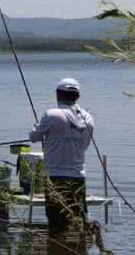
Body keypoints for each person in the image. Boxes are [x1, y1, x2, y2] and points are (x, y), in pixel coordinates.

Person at [29, 78, 94, 234]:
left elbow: (33, 137)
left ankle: (57, 247)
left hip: (55, 177)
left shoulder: (51, 115)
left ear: (58, 94)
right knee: (78, 221)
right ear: (77, 96)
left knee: (57, 223)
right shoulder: (88, 118)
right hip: (78, 177)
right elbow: (85, 146)